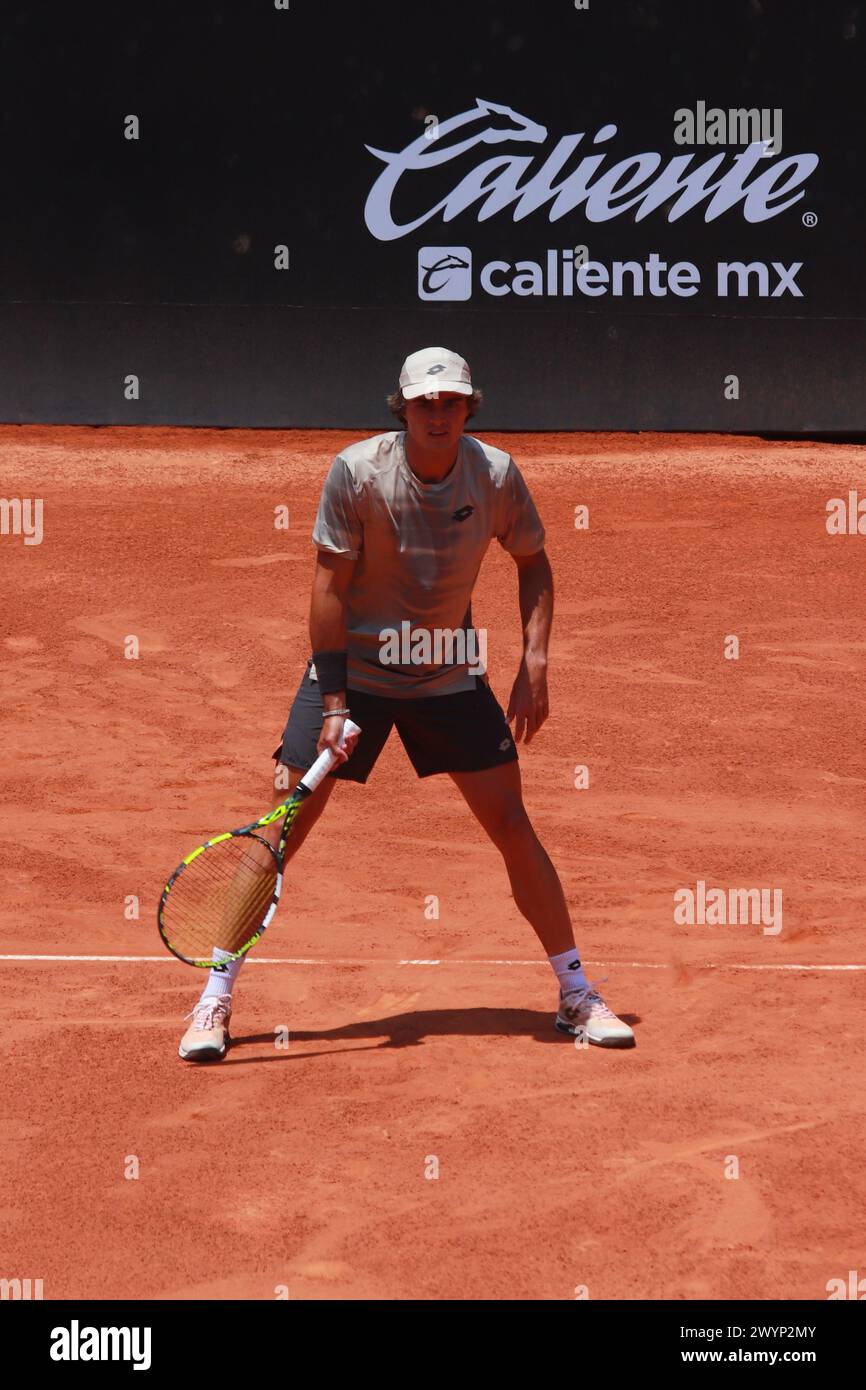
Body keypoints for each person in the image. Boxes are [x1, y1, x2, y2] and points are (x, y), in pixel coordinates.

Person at [179, 346, 635, 1060]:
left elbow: (533, 559)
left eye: (451, 402)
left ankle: (576, 992)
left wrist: (534, 660)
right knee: (281, 827)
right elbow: (329, 587)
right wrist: (334, 701)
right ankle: (213, 1000)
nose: (438, 414)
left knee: (512, 823)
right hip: (353, 670)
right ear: (403, 409)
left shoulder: (495, 475)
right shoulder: (357, 473)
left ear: (468, 407)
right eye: (425, 403)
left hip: (445, 670)